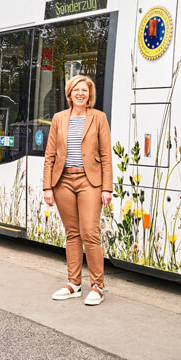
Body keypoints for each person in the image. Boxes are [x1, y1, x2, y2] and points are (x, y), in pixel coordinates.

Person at [43, 75, 113, 306]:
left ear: (89, 95)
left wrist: (106, 188)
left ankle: (97, 286)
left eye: (84, 90)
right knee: (72, 233)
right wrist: (47, 187)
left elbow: (105, 156)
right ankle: (74, 284)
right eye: (76, 90)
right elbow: (50, 155)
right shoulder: (58, 118)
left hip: (89, 181)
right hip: (63, 181)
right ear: (69, 94)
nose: (80, 93)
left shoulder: (99, 117)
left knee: (89, 233)